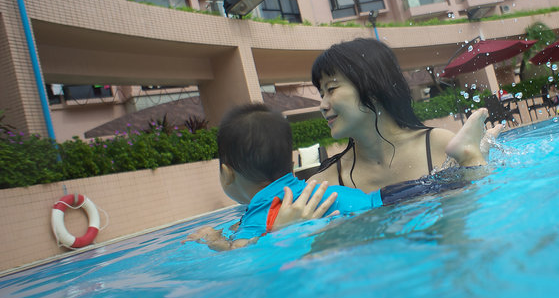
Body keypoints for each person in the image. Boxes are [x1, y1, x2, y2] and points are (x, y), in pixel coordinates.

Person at [186, 102, 494, 251]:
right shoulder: (305, 187)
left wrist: (214, 241)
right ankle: (472, 156)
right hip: (378, 199)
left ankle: (472, 159)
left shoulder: (262, 212)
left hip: (366, 221)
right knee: (438, 186)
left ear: (227, 174)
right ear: (290, 162)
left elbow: (241, 252)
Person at [311, 38, 498, 193]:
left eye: (331, 89)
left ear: (371, 89)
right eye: (321, 94)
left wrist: (472, 160)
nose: (322, 106)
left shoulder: (440, 146)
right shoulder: (326, 183)